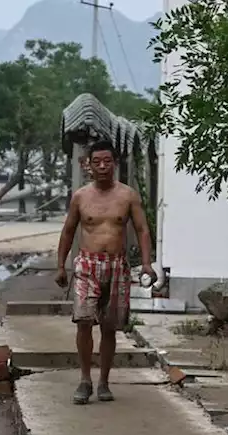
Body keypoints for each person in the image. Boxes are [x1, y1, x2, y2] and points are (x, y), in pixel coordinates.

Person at [55, 139, 154, 404]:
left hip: (117, 266)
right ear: (88, 165)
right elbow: (68, 231)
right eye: (96, 161)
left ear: (114, 164)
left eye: (107, 161)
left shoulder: (128, 195)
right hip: (87, 264)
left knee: (109, 327)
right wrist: (60, 265)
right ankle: (85, 380)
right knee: (84, 321)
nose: (102, 166)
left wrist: (146, 263)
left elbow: (143, 230)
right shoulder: (81, 196)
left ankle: (104, 382)